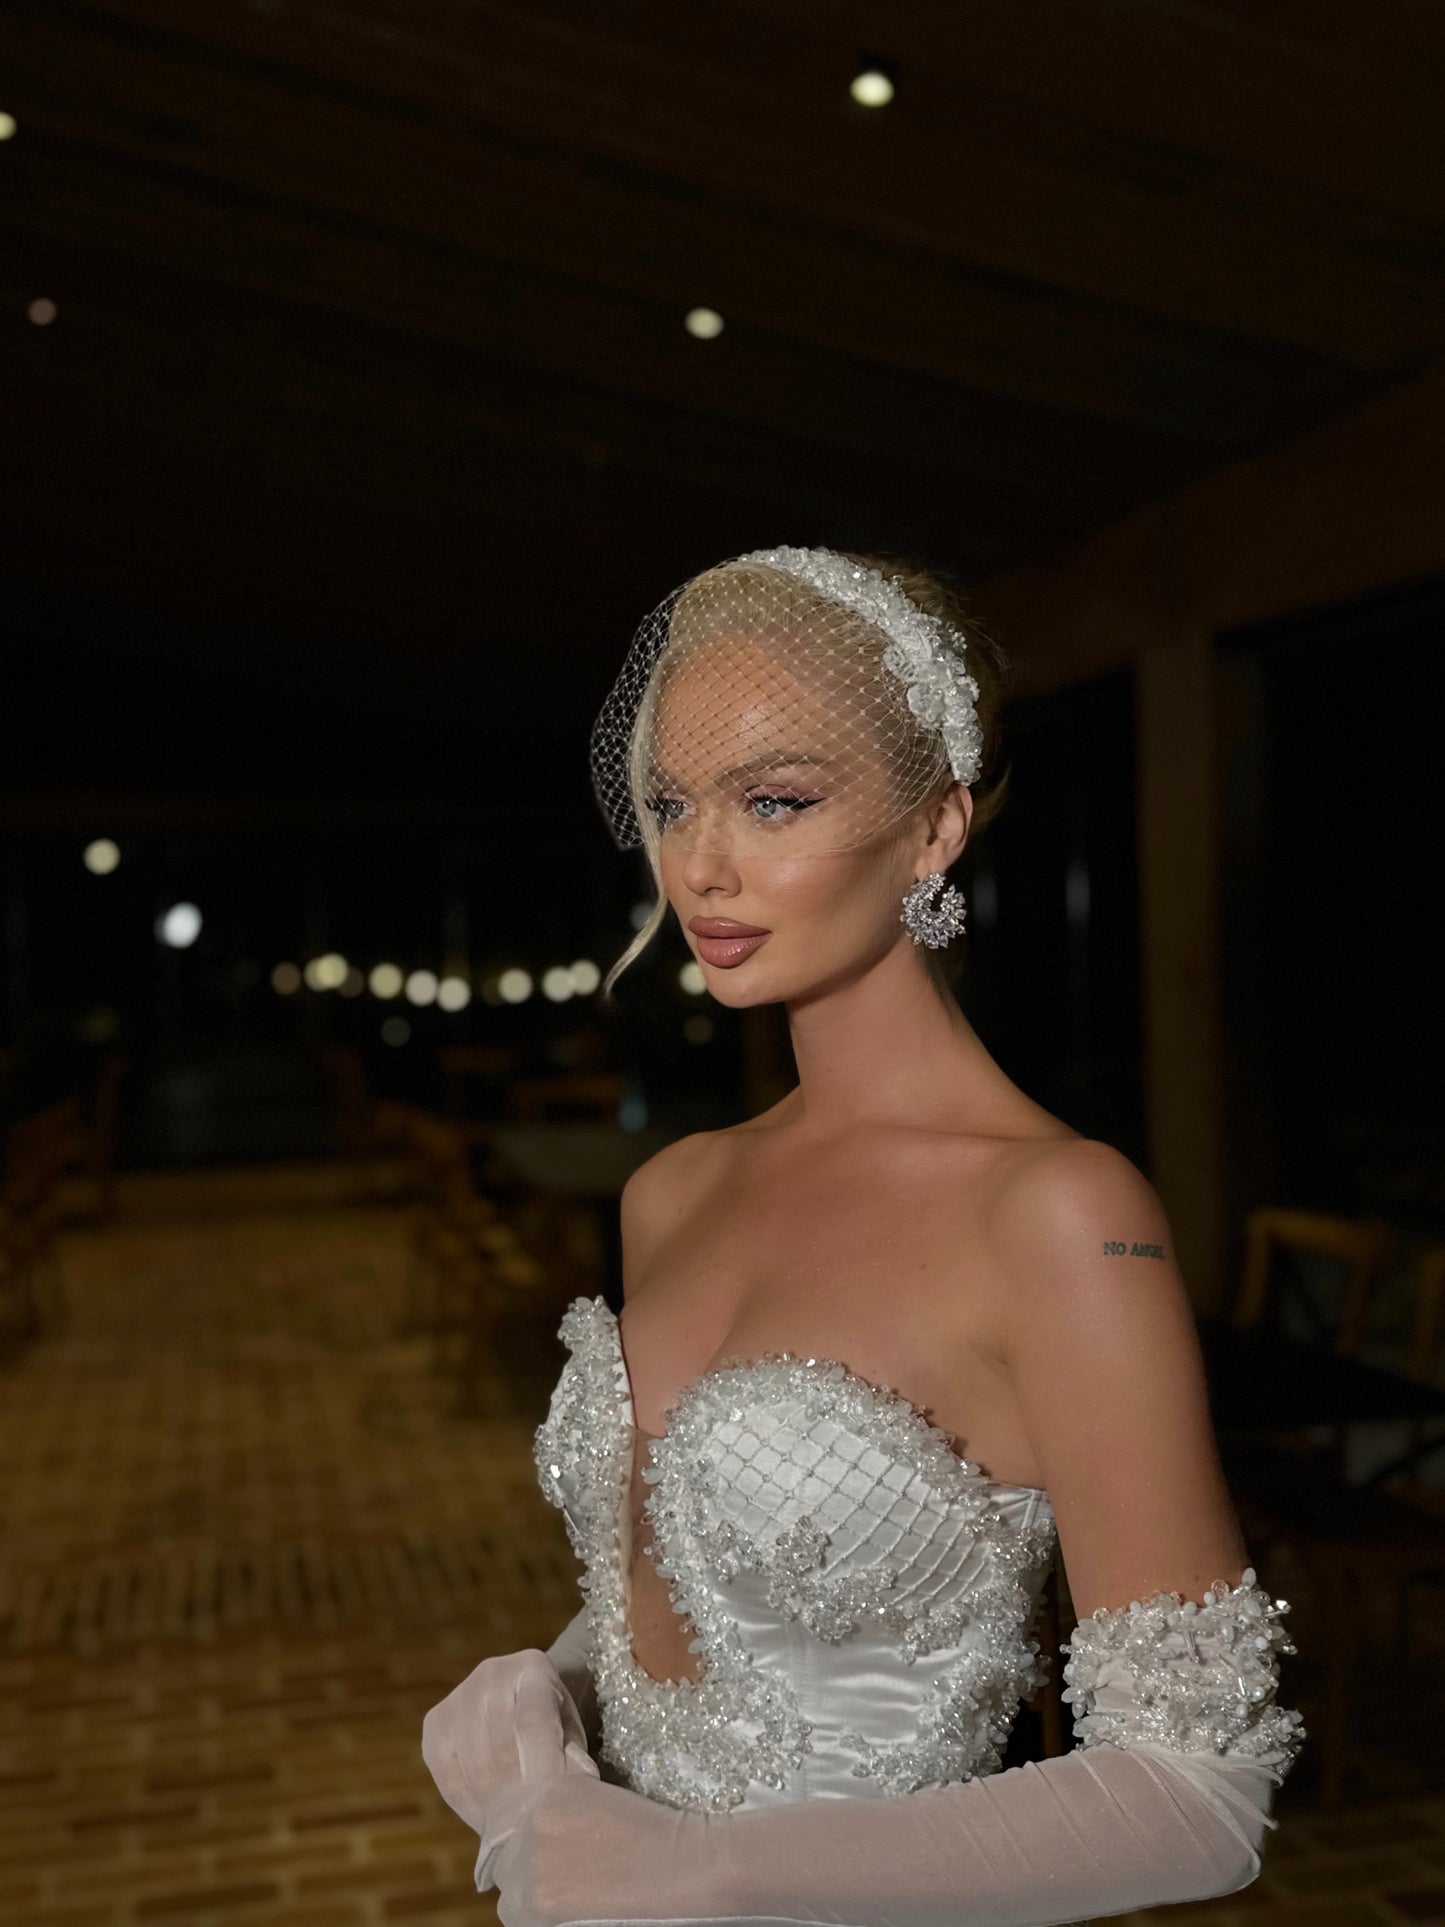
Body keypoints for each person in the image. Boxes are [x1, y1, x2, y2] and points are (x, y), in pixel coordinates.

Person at [422, 545, 1306, 1926]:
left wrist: (700, 1869)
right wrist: (562, 1679)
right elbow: (701, 1602)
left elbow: (1198, 1791)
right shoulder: (675, 1192)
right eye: (670, 804)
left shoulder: (1056, 1213)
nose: (699, 867)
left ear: (934, 826)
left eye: (775, 800)